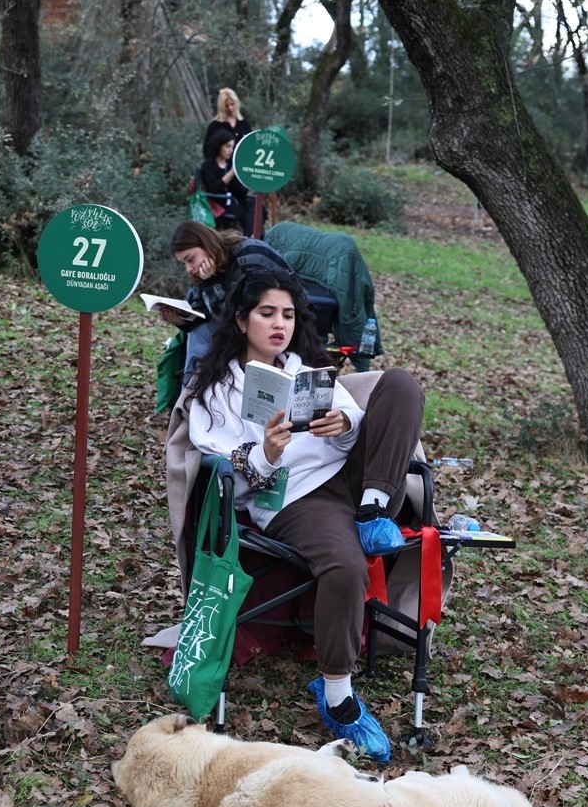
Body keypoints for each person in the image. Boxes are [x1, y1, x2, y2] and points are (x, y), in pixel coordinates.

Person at [183, 269, 427, 762]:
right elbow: (217, 462)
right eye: (267, 313)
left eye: (288, 315)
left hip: (354, 482)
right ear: (241, 318)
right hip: (295, 498)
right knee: (345, 565)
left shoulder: (306, 369)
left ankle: (373, 511)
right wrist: (267, 452)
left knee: (400, 384)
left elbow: (356, 430)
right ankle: (338, 693)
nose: (280, 325)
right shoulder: (213, 391)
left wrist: (344, 424)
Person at [163, 220, 296, 373]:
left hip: (276, 320)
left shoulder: (246, 255)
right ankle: (193, 389)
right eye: (183, 264)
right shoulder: (205, 268)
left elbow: (238, 315)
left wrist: (211, 281)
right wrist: (181, 321)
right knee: (199, 332)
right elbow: (201, 313)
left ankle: (198, 387)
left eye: (190, 259)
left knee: (204, 334)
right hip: (247, 321)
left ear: (207, 245)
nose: (189, 269)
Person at [198, 127, 253, 236]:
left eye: (232, 147)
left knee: (257, 207)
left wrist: (246, 182)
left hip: (233, 200)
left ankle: (257, 238)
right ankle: (248, 239)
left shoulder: (230, 164)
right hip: (217, 203)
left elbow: (237, 190)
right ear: (219, 146)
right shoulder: (208, 165)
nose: (230, 150)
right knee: (246, 215)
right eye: (227, 146)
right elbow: (214, 188)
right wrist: (232, 172)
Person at [203, 87, 253, 153]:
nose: (230, 108)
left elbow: (251, 147)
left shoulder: (245, 124)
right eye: (226, 106)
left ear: (236, 103)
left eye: (232, 104)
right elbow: (207, 150)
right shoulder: (215, 126)